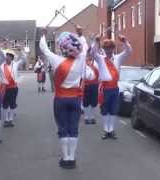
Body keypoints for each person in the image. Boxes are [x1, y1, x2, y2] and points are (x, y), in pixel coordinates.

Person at [39, 27, 92, 169]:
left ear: (63, 49)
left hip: (60, 99)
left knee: (63, 128)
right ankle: (72, 158)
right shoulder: (81, 59)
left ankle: (65, 158)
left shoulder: (57, 60)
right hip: (75, 99)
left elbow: (43, 48)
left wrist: (43, 35)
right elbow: (85, 46)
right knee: (73, 128)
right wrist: (81, 34)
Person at [91, 34, 132, 140]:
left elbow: (129, 52)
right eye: (106, 48)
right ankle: (106, 130)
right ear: (104, 49)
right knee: (105, 110)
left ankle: (111, 130)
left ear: (114, 48)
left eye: (110, 48)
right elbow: (92, 52)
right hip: (104, 89)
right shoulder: (100, 59)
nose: (108, 50)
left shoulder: (118, 58)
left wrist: (125, 41)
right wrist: (96, 41)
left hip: (114, 88)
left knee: (113, 110)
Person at [0, 48, 26, 128]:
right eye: (6, 56)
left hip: (13, 88)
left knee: (12, 104)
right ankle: (6, 120)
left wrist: (21, 50)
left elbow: (24, 59)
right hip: (4, 87)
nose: (7, 57)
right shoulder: (1, 65)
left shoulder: (15, 64)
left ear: (12, 57)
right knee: (5, 105)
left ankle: (11, 120)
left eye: (9, 56)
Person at [83, 50, 99, 125]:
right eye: (88, 55)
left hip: (94, 85)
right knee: (86, 102)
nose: (89, 57)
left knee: (94, 102)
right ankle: (86, 117)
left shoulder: (95, 64)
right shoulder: (83, 65)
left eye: (90, 56)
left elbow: (99, 74)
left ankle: (92, 117)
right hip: (86, 85)